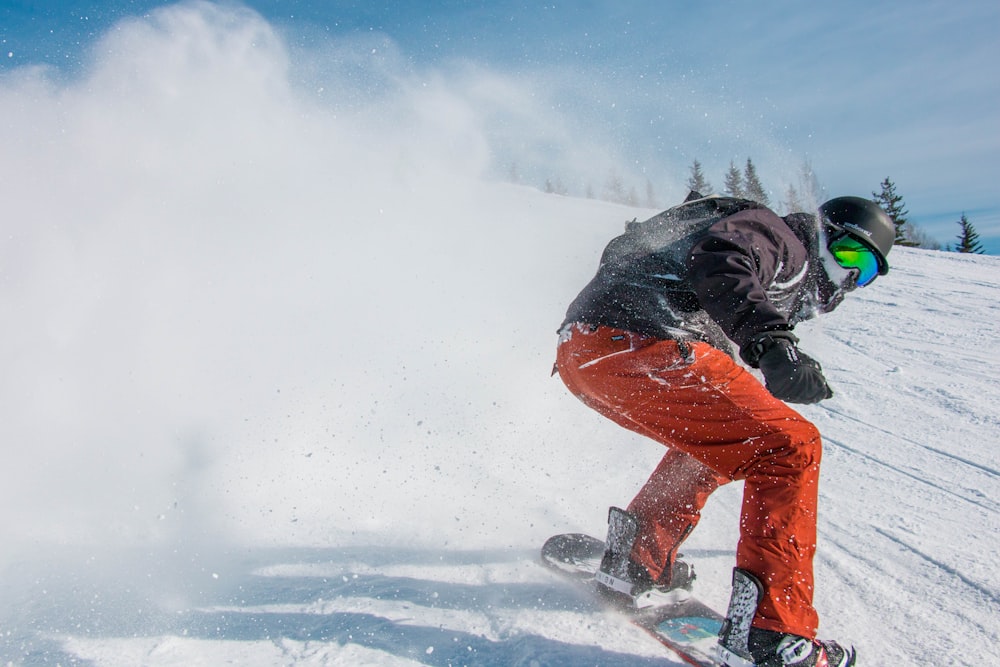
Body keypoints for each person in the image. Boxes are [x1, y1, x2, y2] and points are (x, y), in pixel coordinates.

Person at [554, 192, 894, 667]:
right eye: (849, 255)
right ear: (823, 234)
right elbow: (722, 257)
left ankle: (635, 560)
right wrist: (772, 341)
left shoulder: (777, 269)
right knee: (791, 447)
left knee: (726, 443)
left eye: (869, 272)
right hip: (642, 340)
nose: (851, 277)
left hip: (586, 355)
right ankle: (770, 635)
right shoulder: (785, 239)